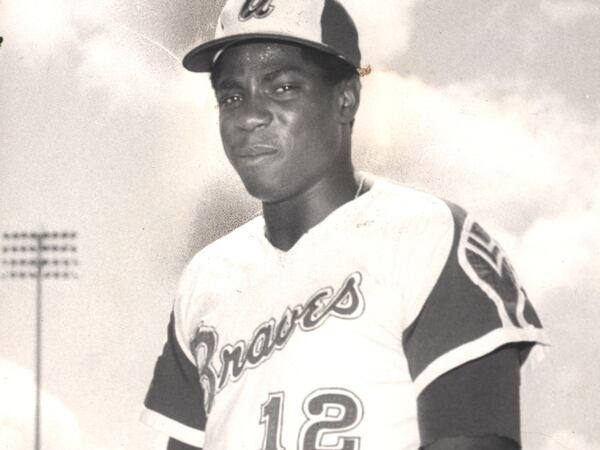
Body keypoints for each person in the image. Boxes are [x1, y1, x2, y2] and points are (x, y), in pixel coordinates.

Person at [141, 1, 548, 449]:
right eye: (232, 96)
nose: (249, 116)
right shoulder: (206, 276)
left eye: (282, 88)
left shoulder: (427, 233)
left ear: (345, 99)